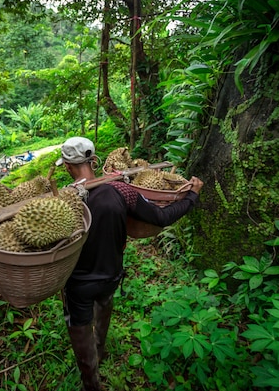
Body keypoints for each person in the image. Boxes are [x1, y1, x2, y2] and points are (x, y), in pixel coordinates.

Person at [55, 136, 203, 391]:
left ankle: (91, 383)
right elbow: (162, 216)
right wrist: (191, 196)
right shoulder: (122, 191)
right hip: (111, 274)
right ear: (93, 160)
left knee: (78, 327)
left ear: (68, 166)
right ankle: (100, 349)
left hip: (78, 284)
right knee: (105, 302)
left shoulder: (63, 202)